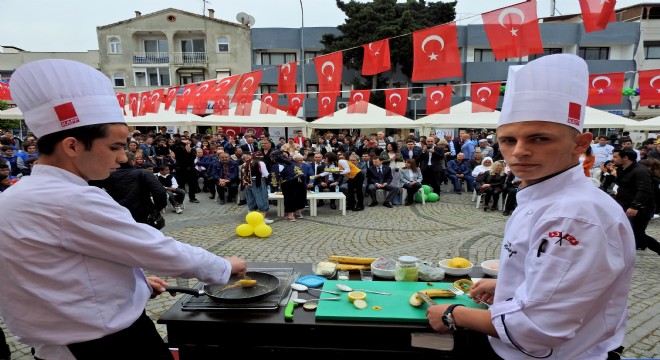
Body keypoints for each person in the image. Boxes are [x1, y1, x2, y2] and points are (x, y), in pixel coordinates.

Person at [0, 59, 247, 360]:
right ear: (72, 146)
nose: (121, 158)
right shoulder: (70, 199)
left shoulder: (17, 194)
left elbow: (67, 272)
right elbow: (158, 249)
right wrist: (224, 266)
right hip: (105, 346)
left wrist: (139, 285)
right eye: (115, 147)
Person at [425, 54, 635, 359]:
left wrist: (454, 314)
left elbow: (537, 328)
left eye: (539, 138)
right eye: (508, 140)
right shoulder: (542, 195)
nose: (520, 152)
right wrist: (509, 285)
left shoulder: (574, 215)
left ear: (580, 143)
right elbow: (552, 285)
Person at [92, 151, 167, 225]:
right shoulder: (142, 173)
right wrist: (157, 208)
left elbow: (92, 192)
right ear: (132, 161)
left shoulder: (105, 175)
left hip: (118, 214)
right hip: (142, 214)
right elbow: (160, 192)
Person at [612, 148, 660, 254]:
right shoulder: (622, 169)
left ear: (625, 158)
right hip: (625, 205)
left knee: (637, 234)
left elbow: (644, 190)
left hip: (641, 209)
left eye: (615, 157)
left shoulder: (640, 171)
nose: (613, 159)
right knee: (628, 232)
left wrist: (635, 206)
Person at [240, 153, 274, 224]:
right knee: (262, 199)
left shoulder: (245, 163)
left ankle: (252, 219)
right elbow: (265, 174)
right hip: (258, 182)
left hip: (248, 183)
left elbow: (242, 175)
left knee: (251, 200)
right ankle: (262, 219)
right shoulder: (260, 163)